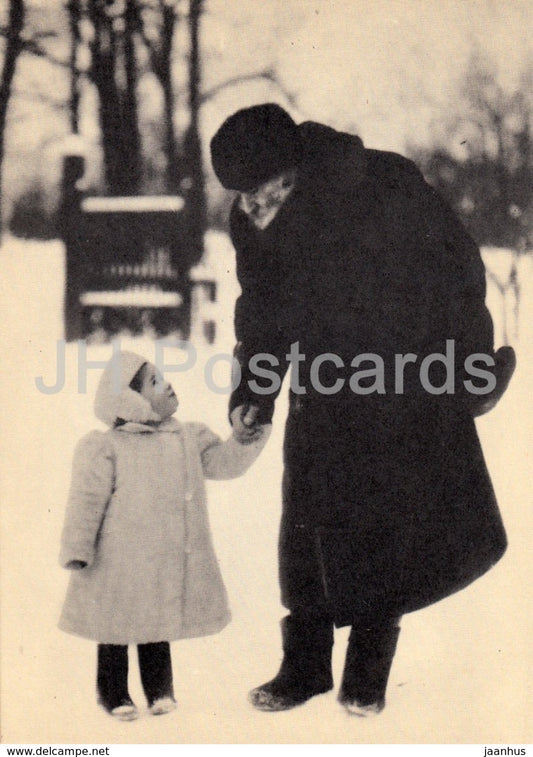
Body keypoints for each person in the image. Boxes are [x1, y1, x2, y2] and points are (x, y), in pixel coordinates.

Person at [209, 103, 514, 716]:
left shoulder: (384, 183)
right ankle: (305, 668)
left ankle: (367, 676)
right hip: (321, 384)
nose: (254, 205)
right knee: (307, 523)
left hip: (406, 378)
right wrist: (254, 392)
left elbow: (458, 272)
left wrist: (469, 362)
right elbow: (263, 310)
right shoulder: (254, 219)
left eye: (263, 189)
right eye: (243, 195)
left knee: (386, 524)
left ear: (291, 165)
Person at [58, 350, 270, 720]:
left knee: (158, 622)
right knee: (115, 627)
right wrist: (78, 548)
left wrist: (244, 438)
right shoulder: (106, 447)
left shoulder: (187, 438)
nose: (167, 383)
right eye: (154, 382)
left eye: (163, 375)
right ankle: (114, 693)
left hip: (165, 557)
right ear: (131, 399)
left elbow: (223, 463)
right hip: (117, 560)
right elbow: (86, 501)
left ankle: (159, 690)